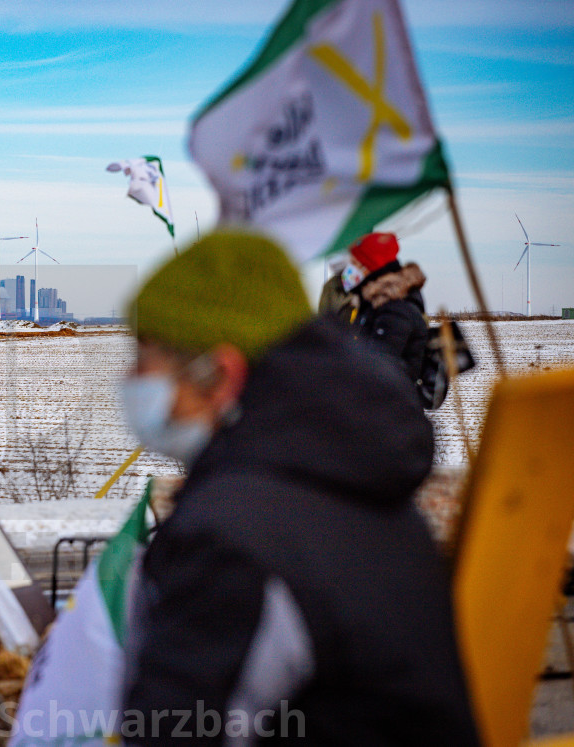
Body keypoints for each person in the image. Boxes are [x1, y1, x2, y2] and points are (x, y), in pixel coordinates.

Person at [121, 231, 478, 744]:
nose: (129, 381)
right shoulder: (359, 486)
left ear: (220, 375)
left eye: (144, 359)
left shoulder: (232, 538)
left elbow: (170, 729)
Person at [343, 231, 429, 384]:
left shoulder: (396, 310)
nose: (349, 270)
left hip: (388, 404)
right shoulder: (373, 304)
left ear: (372, 267)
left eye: (356, 264)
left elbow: (378, 371)